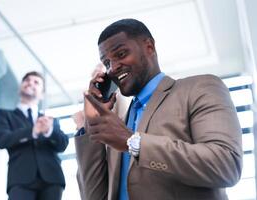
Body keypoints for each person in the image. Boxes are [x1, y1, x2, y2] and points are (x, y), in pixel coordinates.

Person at [74, 19, 243, 200]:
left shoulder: (199, 88)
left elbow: (226, 165)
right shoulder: (120, 125)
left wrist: (133, 142)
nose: (113, 68)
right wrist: (92, 123)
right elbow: (93, 196)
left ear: (149, 47)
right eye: (107, 63)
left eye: (121, 54)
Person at [0, 71, 69, 200]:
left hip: (52, 179)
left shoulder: (50, 120)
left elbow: (62, 145)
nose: (30, 83)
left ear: (42, 94)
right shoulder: (3, 115)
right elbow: (2, 140)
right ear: (20, 87)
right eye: (27, 80)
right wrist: (33, 131)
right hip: (20, 179)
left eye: (36, 82)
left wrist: (49, 132)